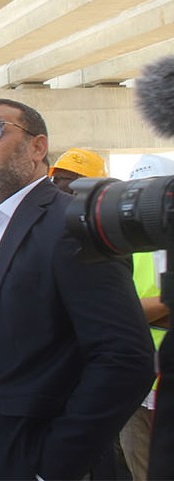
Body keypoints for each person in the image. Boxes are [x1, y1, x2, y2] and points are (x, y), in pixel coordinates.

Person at [0, 98, 155, 480]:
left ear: (38, 148)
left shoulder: (71, 228)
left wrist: (51, 468)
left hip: (20, 461)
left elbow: (124, 360)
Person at [120, 154, 174, 481]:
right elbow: (119, 309)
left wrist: (137, 310)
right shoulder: (124, 241)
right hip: (135, 384)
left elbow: (125, 310)